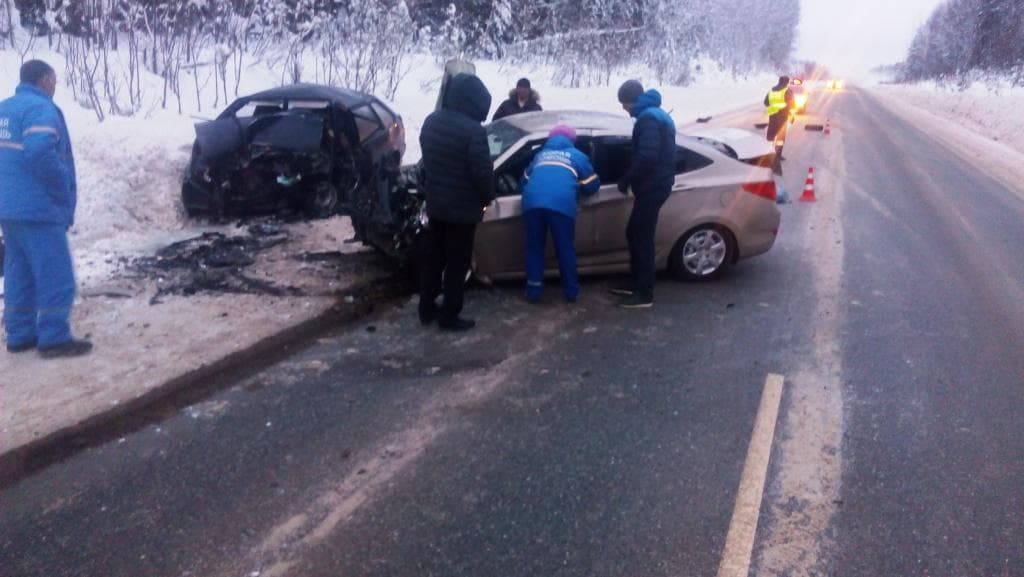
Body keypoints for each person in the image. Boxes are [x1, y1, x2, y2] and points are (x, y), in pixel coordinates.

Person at [0, 60, 91, 358]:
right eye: (54, 79)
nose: (55, 85)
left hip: (9, 207)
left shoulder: (5, 108)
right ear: (44, 80)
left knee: (19, 271)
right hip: (38, 207)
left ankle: (20, 333)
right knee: (55, 271)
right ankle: (53, 336)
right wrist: (61, 185)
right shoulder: (41, 109)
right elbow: (40, 152)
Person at [418, 73, 495, 332]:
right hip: (462, 211)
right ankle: (450, 314)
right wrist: (488, 198)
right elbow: (482, 172)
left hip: (436, 206)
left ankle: (426, 306)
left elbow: (427, 162)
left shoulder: (431, 121)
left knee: (435, 257)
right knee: (457, 263)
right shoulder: (473, 132)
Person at [610, 80, 676, 310]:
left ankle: (643, 293)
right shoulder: (654, 114)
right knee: (636, 232)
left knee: (641, 236)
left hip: (653, 185)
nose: (623, 108)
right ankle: (636, 282)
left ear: (632, 100)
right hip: (656, 183)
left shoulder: (648, 118)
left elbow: (648, 155)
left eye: (624, 103)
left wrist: (627, 179)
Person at [520, 124, 600, 303]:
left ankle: (533, 291)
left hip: (532, 204)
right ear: (572, 141)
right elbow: (591, 186)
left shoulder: (539, 155)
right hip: (561, 205)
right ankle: (571, 291)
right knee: (564, 248)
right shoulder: (578, 156)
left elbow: (523, 183)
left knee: (534, 247)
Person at [763, 75, 795, 165]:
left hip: (772, 117)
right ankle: (778, 155)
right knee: (780, 138)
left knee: (770, 136)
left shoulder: (771, 91)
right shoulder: (787, 91)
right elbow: (792, 105)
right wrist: (792, 115)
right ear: (786, 82)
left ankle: (767, 154)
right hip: (782, 118)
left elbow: (766, 103)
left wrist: (774, 106)